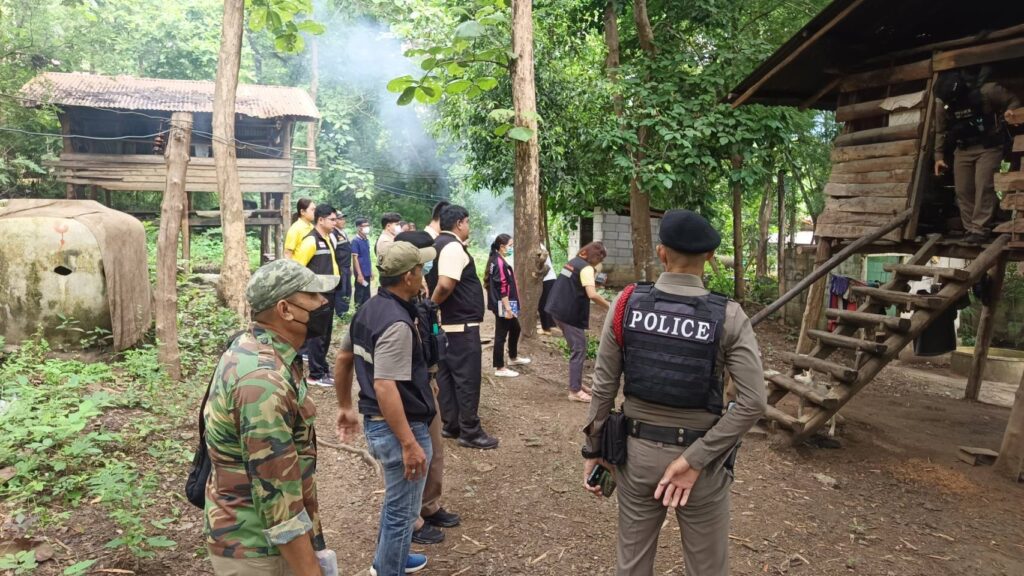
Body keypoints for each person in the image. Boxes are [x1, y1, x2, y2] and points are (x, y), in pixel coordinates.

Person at [581, 209, 766, 576]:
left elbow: (603, 386)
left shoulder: (626, 303)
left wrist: (594, 449)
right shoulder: (728, 316)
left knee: (631, 566)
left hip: (635, 456)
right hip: (703, 465)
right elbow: (753, 401)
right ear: (710, 256)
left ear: (661, 252)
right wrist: (695, 460)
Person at [204, 259, 338, 576]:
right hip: (259, 550)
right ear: (285, 309)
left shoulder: (258, 348)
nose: (324, 303)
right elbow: (279, 504)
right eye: (314, 296)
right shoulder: (263, 383)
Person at [334, 241, 437, 576]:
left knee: (399, 502)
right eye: (421, 269)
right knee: (402, 509)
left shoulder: (370, 307)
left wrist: (346, 406)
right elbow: (385, 385)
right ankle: (387, 568)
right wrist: (409, 443)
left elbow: (344, 357)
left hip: (380, 422)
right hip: (398, 427)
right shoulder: (396, 323)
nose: (424, 274)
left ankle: (394, 554)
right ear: (409, 277)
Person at [394, 230, 462, 545]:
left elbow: (431, 335)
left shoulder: (421, 298)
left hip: (428, 381)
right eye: (423, 263)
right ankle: (413, 519)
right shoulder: (392, 305)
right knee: (413, 453)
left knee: (434, 449)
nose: (428, 270)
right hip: (407, 391)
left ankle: (430, 505)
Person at [426, 204, 499, 450]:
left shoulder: (435, 245)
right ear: (459, 223)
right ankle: (470, 430)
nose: (468, 227)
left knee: (445, 376)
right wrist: (432, 306)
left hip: (445, 327)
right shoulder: (453, 247)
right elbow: (445, 285)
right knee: (466, 378)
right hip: (460, 326)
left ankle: (452, 424)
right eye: (467, 222)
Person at [933, 68, 1021, 244]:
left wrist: (1011, 111)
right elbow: (940, 130)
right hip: (963, 149)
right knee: (963, 190)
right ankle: (970, 229)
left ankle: (980, 229)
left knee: (984, 186)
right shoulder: (943, 102)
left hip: (988, 146)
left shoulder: (987, 91)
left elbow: (1013, 100)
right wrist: (938, 156)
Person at [544, 241, 611, 402]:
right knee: (579, 349)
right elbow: (592, 294)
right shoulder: (587, 268)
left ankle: (577, 385)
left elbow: (575, 283)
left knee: (577, 347)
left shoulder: (573, 262)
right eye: (600, 259)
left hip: (556, 309)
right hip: (569, 313)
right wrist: (611, 306)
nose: (600, 263)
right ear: (596, 257)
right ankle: (574, 391)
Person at [293, 204, 339, 387]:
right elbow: (297, 268)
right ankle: (316, 373)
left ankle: (321, 366)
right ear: (321, 220)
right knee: (317, 335)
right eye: (332, 219)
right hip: (318, 294)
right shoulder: (310, 241)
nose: (335, 223)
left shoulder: (326, 238)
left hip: (330, 292)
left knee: (326, 333)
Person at [484, 234, 531, 377]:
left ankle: (513, 357)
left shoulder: (495, 259)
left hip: (505, 302)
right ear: (502, 246)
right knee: (500, 335)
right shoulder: (498, 262)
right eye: (510, 245)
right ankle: (499, 368)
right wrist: (508, 308)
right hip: (504, 303)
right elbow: (502, 287)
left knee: (515, 328)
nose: (512, 248)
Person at [331, 210, 353, 318]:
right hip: (340, 267)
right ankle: (341, 314)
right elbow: (333, 253)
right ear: (335, 221)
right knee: (341, 291)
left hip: (347, 267)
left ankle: (346, 311)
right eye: (340, 219)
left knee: (348, 290)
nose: (343, 221)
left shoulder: (343, 233)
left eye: (343, 218)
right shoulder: (333, 234)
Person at [537, 242, 558, 335]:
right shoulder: (540, 245)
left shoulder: (537, 247)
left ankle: (545, 328)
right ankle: (549, 325)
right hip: (550, 278)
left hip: (546, 279)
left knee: (542, 304)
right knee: (546, 303)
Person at [352, 217, 373, 308]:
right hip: (361, 273)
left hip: (367, 272)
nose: (367, 227)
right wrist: (359, 274)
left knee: (367, 294)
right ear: (359, 228)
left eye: (368, 225)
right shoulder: (355, 241)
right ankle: (358, 314)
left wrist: (371, 271)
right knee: (360, 295)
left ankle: (366, 313)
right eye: (364, 226)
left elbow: (367, 257)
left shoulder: (366, 240)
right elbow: (355, 259)